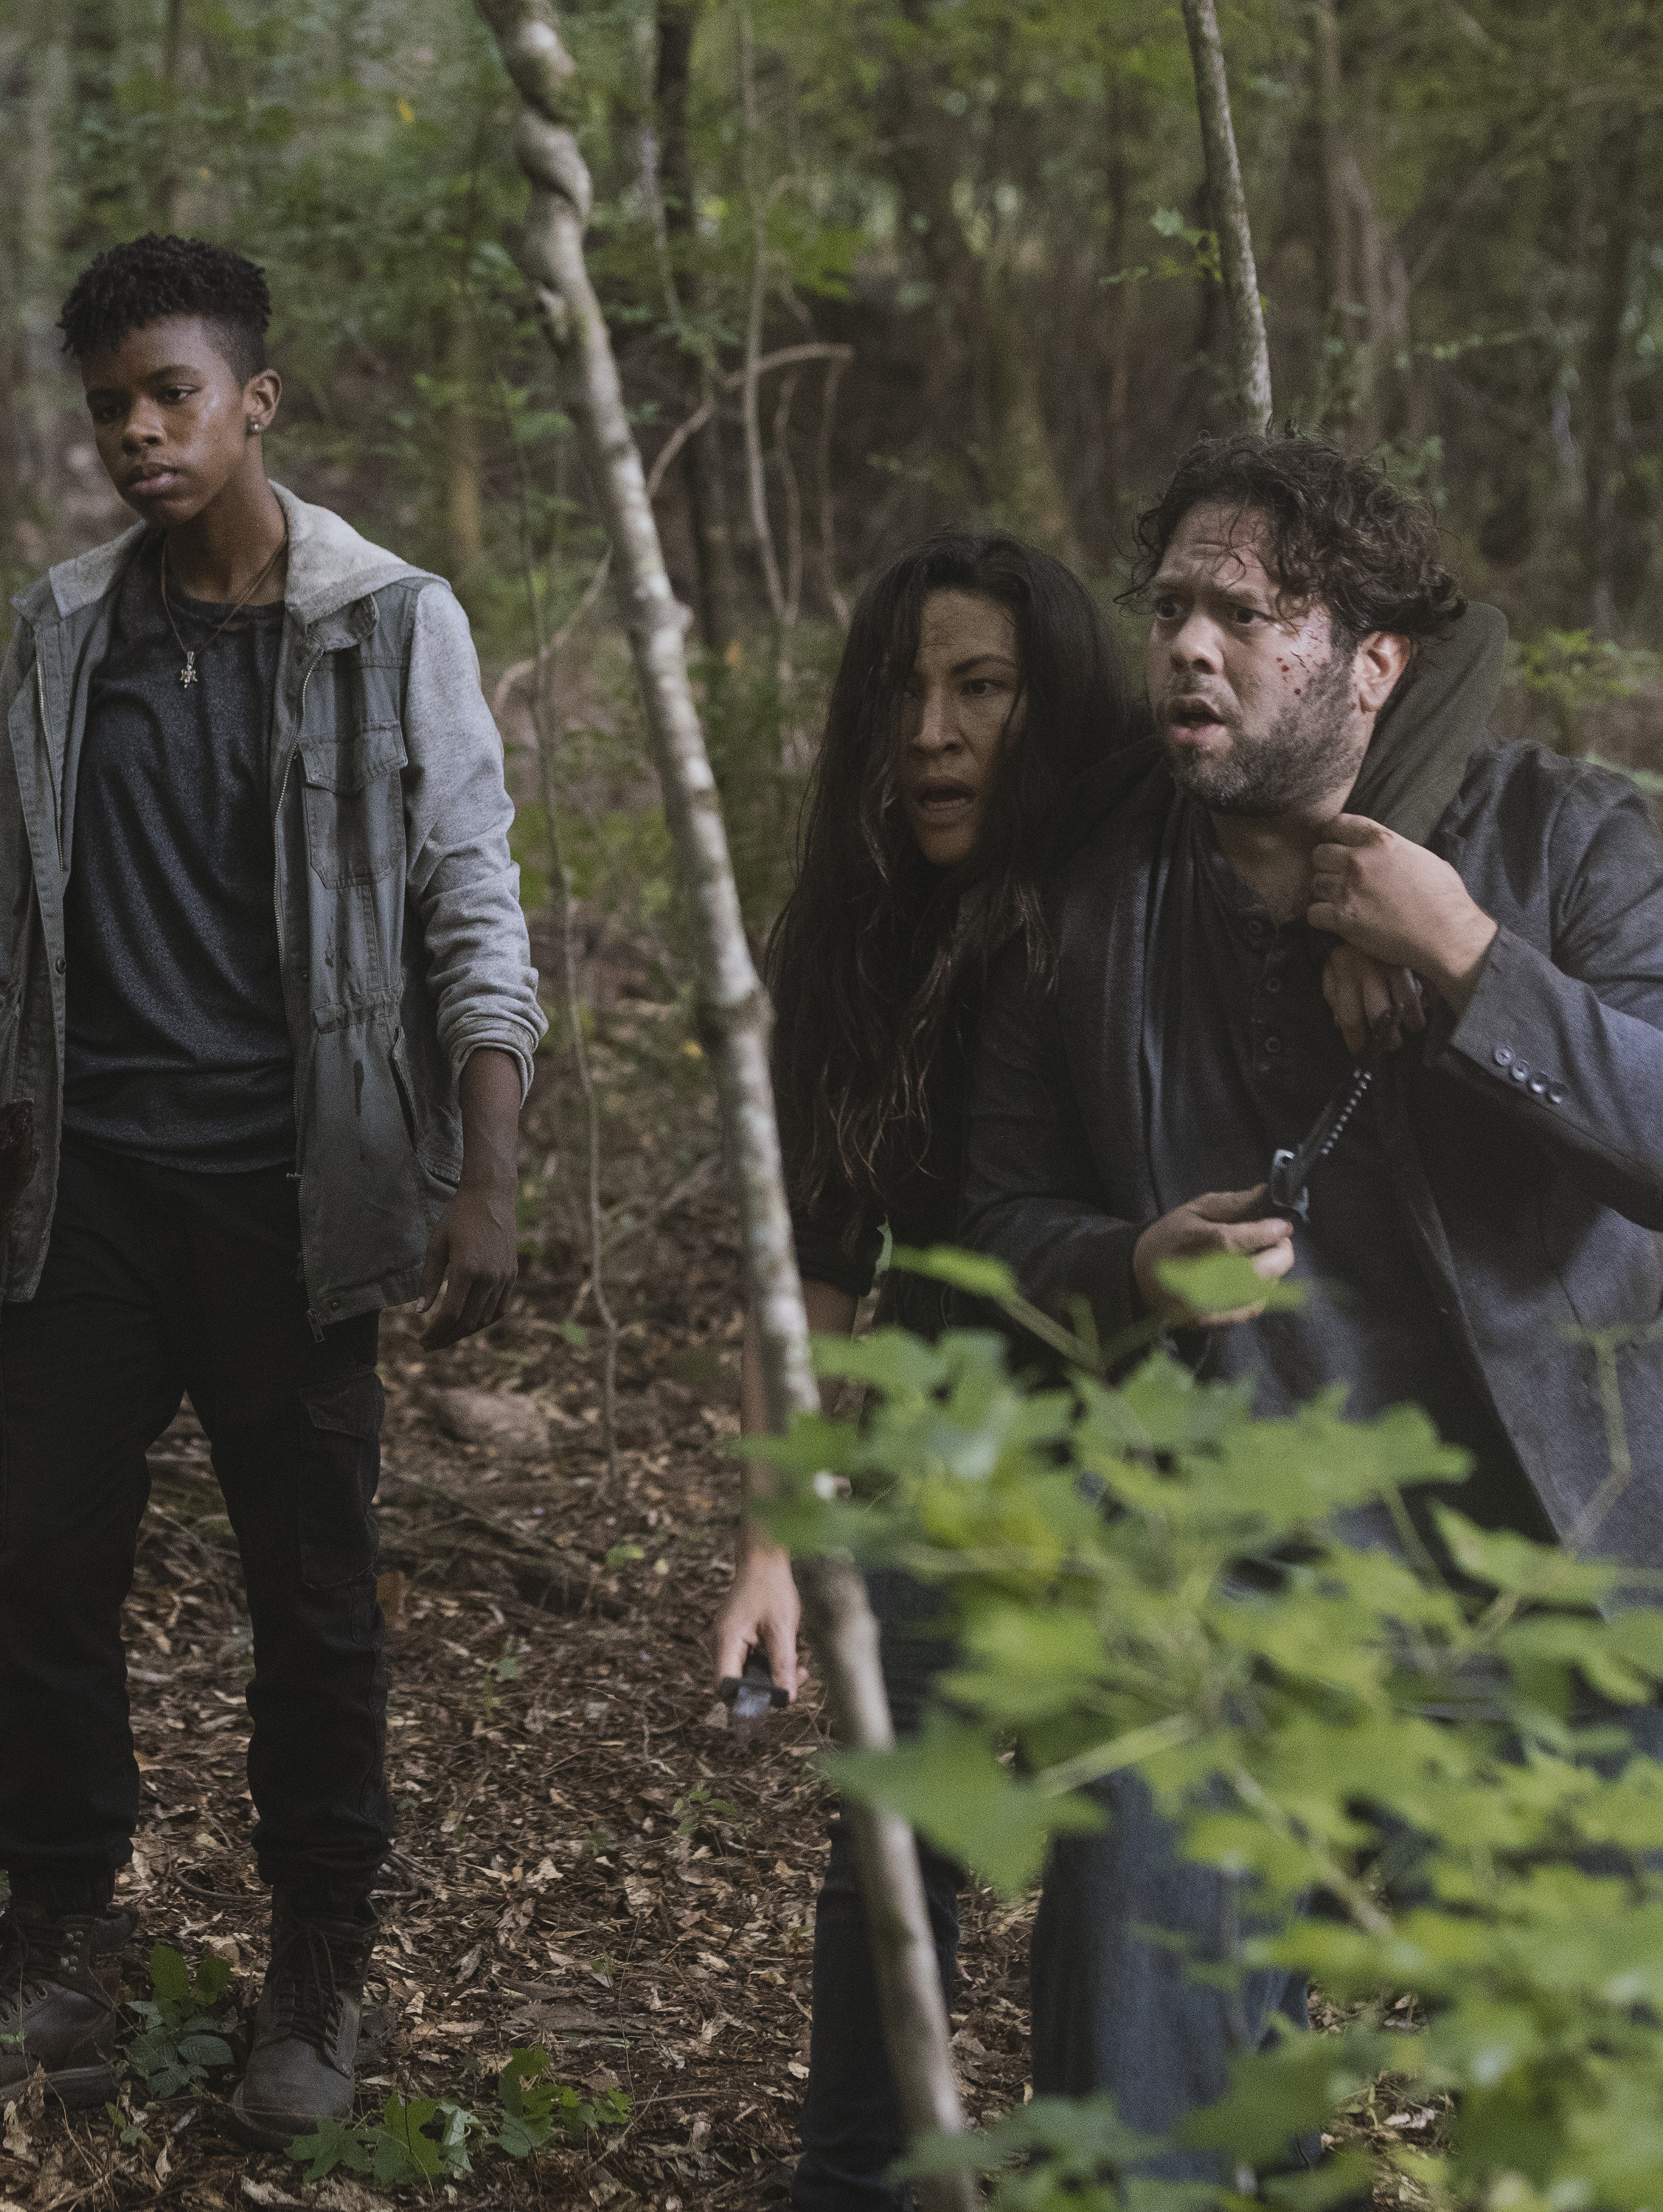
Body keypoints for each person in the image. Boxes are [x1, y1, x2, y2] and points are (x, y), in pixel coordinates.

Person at [960, 432, 1663, 2178]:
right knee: (1145, 2128)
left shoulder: (1558, 835)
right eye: (1172, 607)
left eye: (1245, 614)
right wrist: (1128, 1265)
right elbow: (996, 1219)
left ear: (1372, 661)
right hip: (1245, 1604)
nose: (1190, 645)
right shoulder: (1091, 898)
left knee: (1608, 2143)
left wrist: (1467, 954)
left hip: (1583, 1577)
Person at [0, 234, 544, 2147]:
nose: (139, 435)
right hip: (87, 1188)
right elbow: (7, 948)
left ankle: (315, 1968)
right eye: (110, 408)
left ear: (257, 402)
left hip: (293, 1199)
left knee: (310, 1597)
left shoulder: (389, 622)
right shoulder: (69, 630)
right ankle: (56, 1946)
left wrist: (485, 1172)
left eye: (171, 395)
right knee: (42, 1564)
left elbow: (469, 899)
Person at [714, 535, 1129, 2211]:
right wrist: (773, 1539)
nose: (933, 733)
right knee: (896, 1841)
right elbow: (808, 1265)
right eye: (904, 692)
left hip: (1156, 1432)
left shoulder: (1139, 890)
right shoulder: (855, 930)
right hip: (952, 1441)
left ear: (1053, 704)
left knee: (1133, 1860)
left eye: (981, 689)